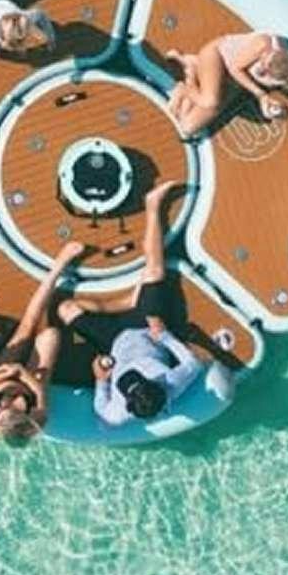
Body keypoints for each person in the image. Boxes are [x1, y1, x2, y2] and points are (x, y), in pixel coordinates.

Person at [57, 181, 201, 426]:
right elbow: (193, 363)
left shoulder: (117, 413)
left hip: (114, 342)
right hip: (146, 328)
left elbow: (101, 411)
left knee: (65, 309)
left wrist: (101, 379)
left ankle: (129, 301)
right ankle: (153, 205)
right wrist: (164, 336)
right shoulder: (172, 381)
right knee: (155, 271)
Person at [0, 239, 84, 442]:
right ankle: (62, 308)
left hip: (1, 374)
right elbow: (39, 391)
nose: (4, 406)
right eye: (14, 408)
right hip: (31, 380)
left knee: (28, 324)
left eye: (1, 410)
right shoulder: (37, 419)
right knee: (51, 335)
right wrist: (22, 373)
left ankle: (58, 266)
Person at [165, 31, 288, 138]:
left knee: (188, 127)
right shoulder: (263, 44)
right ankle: (186, 83)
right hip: (218, 57)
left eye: (265, 70)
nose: (262, 66)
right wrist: (261, 95)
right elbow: (235, 68)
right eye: (265, 61)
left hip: (234, 82)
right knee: (210, 101)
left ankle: (193, 67)